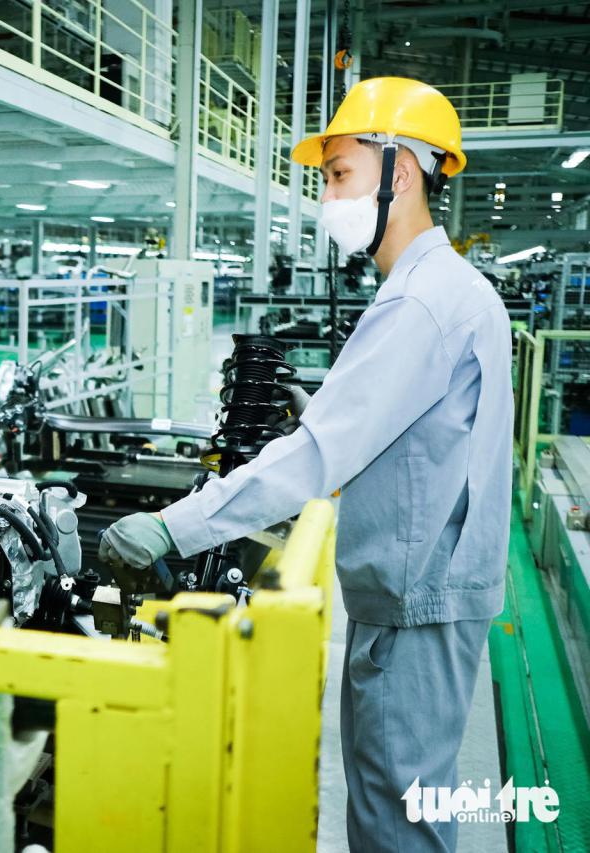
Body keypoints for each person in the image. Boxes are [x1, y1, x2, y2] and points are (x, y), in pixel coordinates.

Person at [100, 77, 512, 853]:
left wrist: (169, 527)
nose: (329, 198)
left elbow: (323, 452)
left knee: (399, 827)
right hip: (413, 594)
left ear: (402, 173)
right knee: (389, 809)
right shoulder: (436, 289)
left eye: (339, 175)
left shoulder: (423, 302)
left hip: (418, 604)